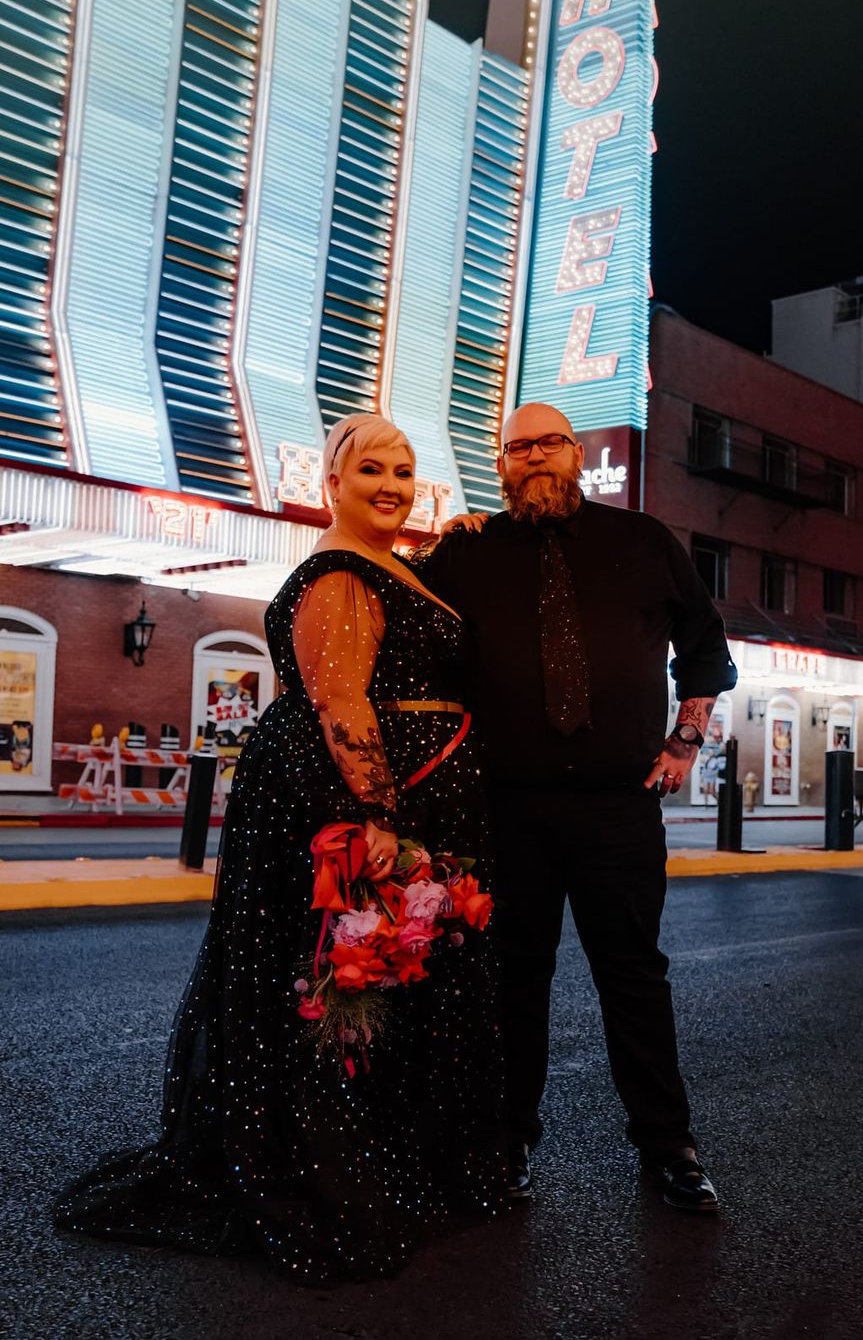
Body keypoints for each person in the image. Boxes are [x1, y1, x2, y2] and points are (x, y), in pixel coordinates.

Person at [55, 415, 507, 1282]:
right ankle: (323, 1167)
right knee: (342, 981)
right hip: (363, 808)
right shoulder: (337, 571)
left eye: (405, 471)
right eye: (370, 468)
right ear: (331, 483)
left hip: (419, 804)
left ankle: (394, 1153)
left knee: (388, 984)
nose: (390, 484)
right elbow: (342, 703)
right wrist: (382, 824)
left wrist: (464, 534)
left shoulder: (397, 566)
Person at [418, 401, 738, 1212]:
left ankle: (669, 1145)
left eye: (549, 443)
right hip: (505, 808)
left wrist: (685, 741)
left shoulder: (644, 541)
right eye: (516, 448)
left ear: (576, 454)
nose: (534, 458)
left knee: (634, 976)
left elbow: (704, 649)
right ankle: (508, 1138)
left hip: (618, 809)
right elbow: (412, 656)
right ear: (501, 465)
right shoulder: (466, 553)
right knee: (512, 980)